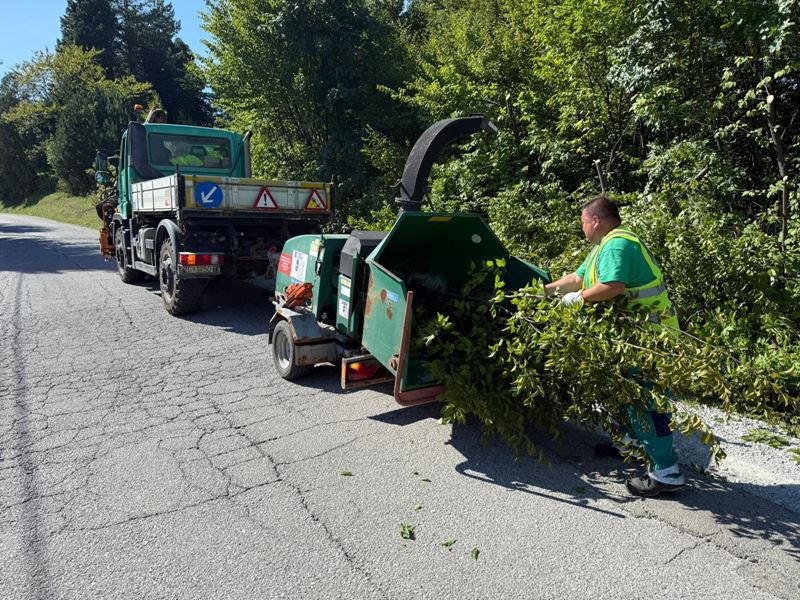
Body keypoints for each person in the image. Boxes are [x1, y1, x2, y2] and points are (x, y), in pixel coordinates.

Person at [544, 195, 684, 497]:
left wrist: (579, 299)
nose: (582, 229)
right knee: (624, 393)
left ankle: (666, 472)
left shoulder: (618, 245)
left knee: (645, 403)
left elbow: (612, 287)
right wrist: (544, 291)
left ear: (595, 220)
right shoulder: (602, 247)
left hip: (651, 339)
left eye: (583, 222)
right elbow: (577, 277)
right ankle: (632, 444)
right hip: (632, 339)